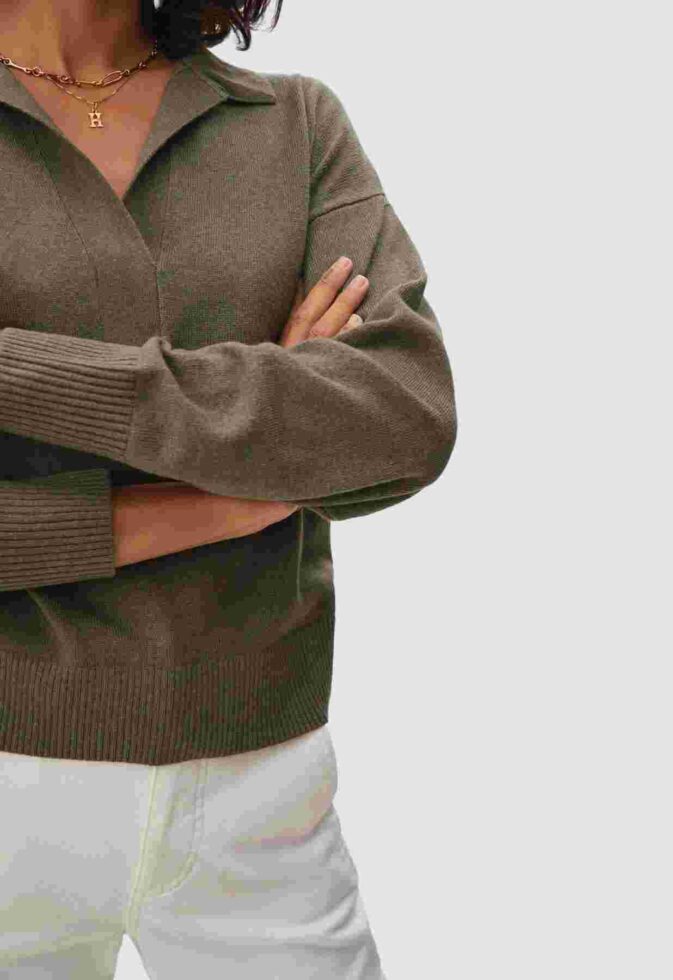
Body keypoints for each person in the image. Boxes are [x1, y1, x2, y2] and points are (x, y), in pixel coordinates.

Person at [0, 0, 457, 976]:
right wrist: (240, 492)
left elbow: (405, 413)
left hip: (263, 797)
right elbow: (331, 436)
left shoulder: (293, 126)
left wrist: (23, 376)